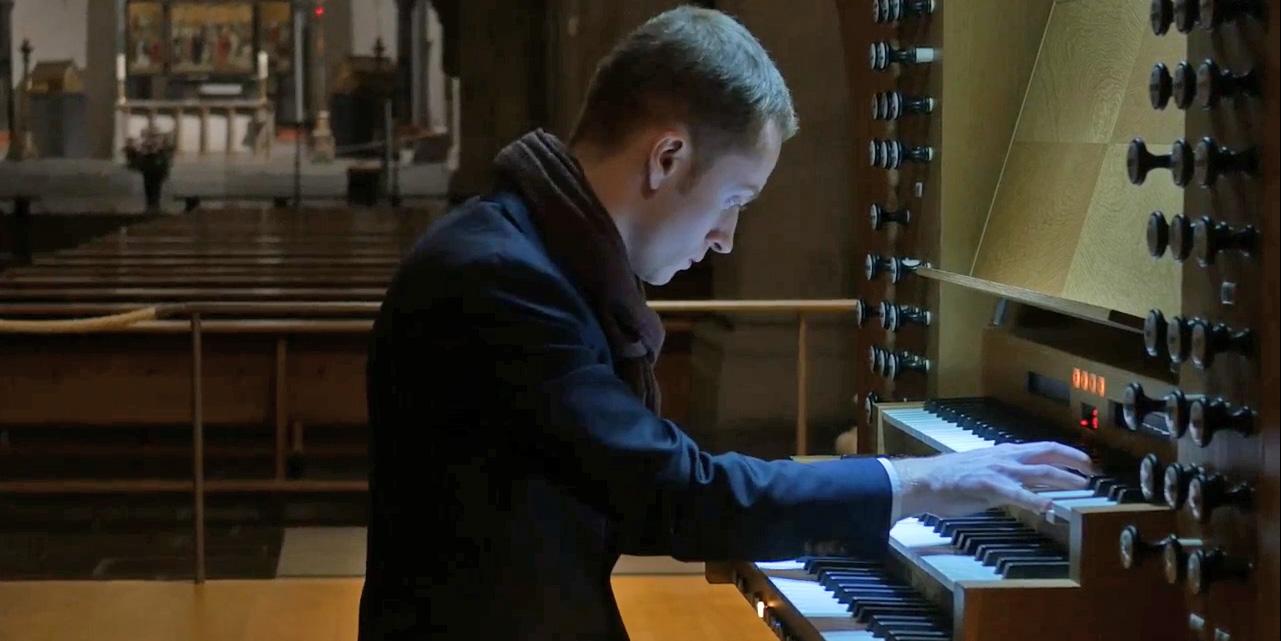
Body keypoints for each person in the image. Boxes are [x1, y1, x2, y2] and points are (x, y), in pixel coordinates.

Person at [358, 7, 1093, 640]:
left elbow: (648, 494)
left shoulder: (528, 253)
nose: (727, 238)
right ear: (667, 156)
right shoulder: (503, 281)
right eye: (733, 197)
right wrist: (920, 477)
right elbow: (676, 496)